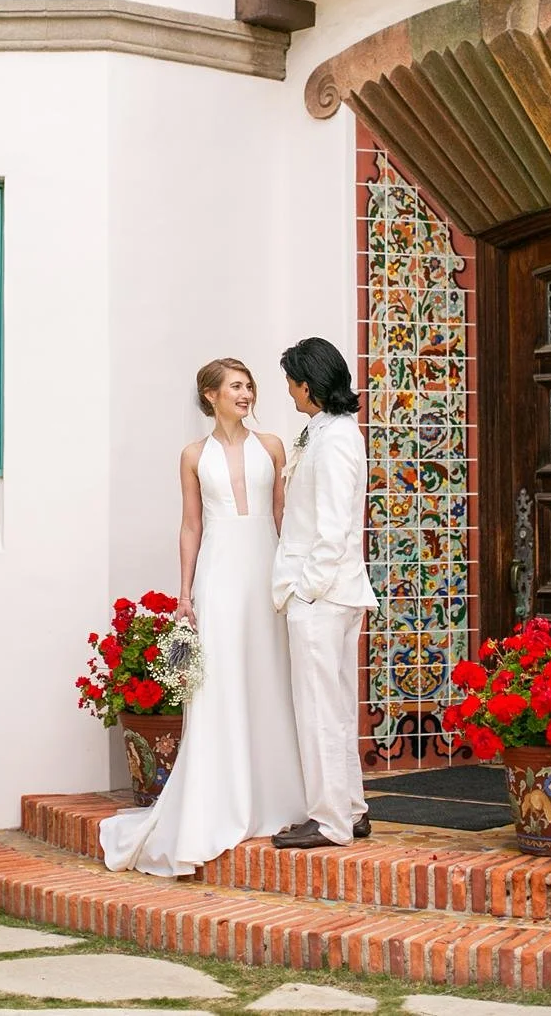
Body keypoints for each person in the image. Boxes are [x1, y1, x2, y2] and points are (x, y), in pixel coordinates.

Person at [99, 357, 307, 876]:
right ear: (210, 395)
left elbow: (283, 515)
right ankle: (219, 799)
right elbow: (191, 525)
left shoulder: (273, 446)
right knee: (219, 684)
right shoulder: (193, 455)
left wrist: (295, 572)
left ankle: (275, 797)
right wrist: (186, 593)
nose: (246, 393)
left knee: (268, 675)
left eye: (249, 385)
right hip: (218, 576)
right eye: (236, 386)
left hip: (265, 569)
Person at [271, 337, 378, 850]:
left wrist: (304, 589)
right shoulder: (328, 431)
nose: (288, 391)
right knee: (334, 708)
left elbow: (335, 525)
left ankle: (329, 820)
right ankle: (351, 809)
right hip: (332, 592)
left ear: (307, 385)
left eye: (290, 382)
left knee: (318, 709)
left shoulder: (335, 440)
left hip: (323, 594)